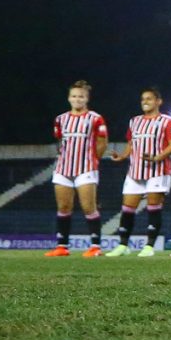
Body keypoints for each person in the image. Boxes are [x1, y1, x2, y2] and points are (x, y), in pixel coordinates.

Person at [112, 85, 171, 256]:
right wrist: (122, 156)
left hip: (158, 171)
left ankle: (149, 246)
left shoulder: (166, 121)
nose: (145, 102)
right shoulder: (134, 121)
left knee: (153, 208)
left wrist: (158, 157)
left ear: (159, 101)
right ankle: (123, 245)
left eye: (149, 99)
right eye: (143, 99)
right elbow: (131, 144)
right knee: (127, 208)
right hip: (135, 171)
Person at [49, 79, 111, 257]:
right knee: (64, 206)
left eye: (81, 96)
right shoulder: (61, 119)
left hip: (86, 168)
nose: (77, 99)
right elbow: (60, 140)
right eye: (74, 96)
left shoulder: (95, 118)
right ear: (69, 98)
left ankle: (95, 247)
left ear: (87, 99)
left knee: (88, 207)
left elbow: (102, 142)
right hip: (63, 168)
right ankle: (62, 246)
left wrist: (93, 161)